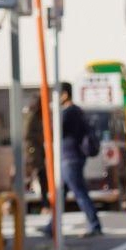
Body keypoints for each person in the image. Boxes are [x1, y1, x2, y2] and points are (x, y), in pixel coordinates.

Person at [46, 82, 102, 239]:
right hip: (71, 157)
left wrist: (52, 114)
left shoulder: (69, 112)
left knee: (79, 193)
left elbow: (55, 130)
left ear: (64, 95)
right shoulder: (77, 111)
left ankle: (94, 225)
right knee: (60, 194)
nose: (54, 99)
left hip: (69, 158)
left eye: (56, 95)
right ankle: (51, 226)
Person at [24, 96, 49, 208]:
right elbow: (27, 134)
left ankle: (45, 204)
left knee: (42, 178)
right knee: (32, 177)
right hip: (33, 152)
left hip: (38, 151)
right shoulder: (32, 117)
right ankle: (13, 204)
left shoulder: (39, 116)